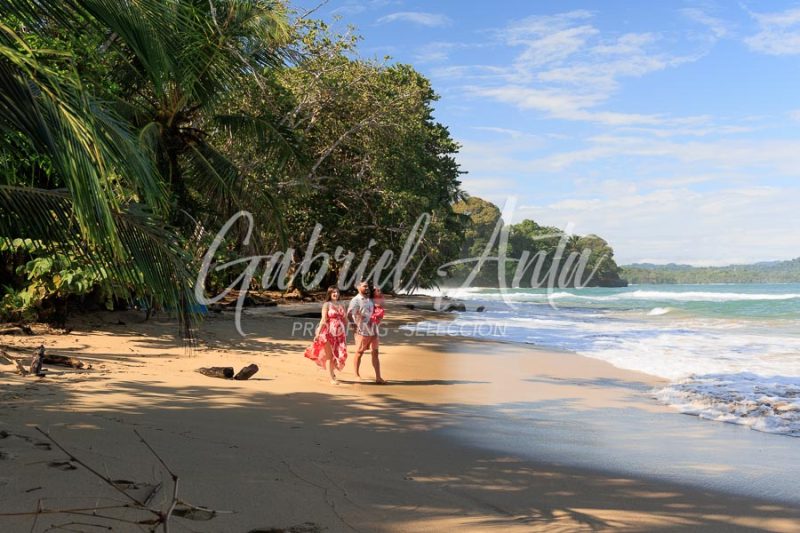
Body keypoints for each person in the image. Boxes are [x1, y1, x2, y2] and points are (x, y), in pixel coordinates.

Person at [304, 286, 348, 384]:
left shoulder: (342, 305)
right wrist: (318, 332)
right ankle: (331, 378)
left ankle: (332, 373)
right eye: (333, 292)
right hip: (329, 332)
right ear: (329, 294)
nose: (336, 294)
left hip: (340, 334)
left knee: (337, 354)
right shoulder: (327, 305)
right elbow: (323, 319)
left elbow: (345, 320)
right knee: (330, 355)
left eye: (337, 292)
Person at [347, 280, 386, 384]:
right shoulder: (355, 300)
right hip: (362, 330)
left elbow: (379, 305)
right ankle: (356, 375)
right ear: (358, 287)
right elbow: (350, 314)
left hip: (374, 330)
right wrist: (354, 326)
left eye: (367, 286)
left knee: (375, 353)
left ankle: (378, 377)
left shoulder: (369, 299)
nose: (367, 288)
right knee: (360, 352)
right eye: (364, 286)